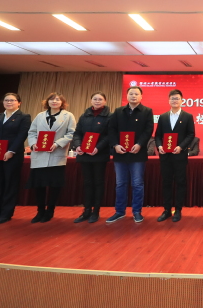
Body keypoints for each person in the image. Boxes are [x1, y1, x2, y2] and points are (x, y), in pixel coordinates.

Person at [0, 93, 31, 224]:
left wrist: (11, 151)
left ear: (19, 103)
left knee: (10, 184)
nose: (9, 102)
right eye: (6, 100)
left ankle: (5, 214)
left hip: (13, 155)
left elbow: (21, 136)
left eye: (12, 100)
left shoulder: (24, 117)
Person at [26, 92, 76, 223]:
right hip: (39, 154)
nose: (54, 101)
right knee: (39, 185)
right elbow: (32, 132)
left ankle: (50, 211)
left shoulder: (68, 116)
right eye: (52, 99)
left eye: (57, 99)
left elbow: (71, 133)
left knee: (54, 185)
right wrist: (33, 144)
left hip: (56, 155)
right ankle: (40, 211)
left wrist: (57, 144)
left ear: (62, 102)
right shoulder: (40, 116)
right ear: (47, 102)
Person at [107, 86, 154, 224]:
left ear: (141, 96)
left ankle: (137, 211)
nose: (134, 96)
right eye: (131, 94)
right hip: (120, 153)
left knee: (137, 184)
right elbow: (111, 129)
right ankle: (119, 211)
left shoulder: (147, 111)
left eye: (136, 94)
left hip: (138, 153)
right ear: (127, 96)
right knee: (120, 183)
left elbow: (148, 130)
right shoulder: (118, 111)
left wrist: (140, 144)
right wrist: (115, 145)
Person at [154, 89, 196, 223]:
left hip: (179, 156)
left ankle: (178, 210)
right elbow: (157, 135)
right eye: (172, 98)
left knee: (180, 182)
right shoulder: (163, 117)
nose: (174, 100)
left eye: (177, 98)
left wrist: (181, 147)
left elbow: (191, 134)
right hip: (165, 156)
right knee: (166, 182)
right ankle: (166, 209)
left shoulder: (187, 116)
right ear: (169, 101)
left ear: (182, 101)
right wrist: (159, 146)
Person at [72, 91, 111, 223]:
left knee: (98, 182)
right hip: (84, 154)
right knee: (87, 183)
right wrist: (77, 145)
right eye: (95, 99)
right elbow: (77, 133)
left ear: (105, 101)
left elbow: (109, 135)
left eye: (100, 99)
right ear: (91, 101)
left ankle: (96, 211)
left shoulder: (109, 116)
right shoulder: (85, 116)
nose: (97, 101)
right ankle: (86, 210)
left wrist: (98, 148)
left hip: (99, 154)